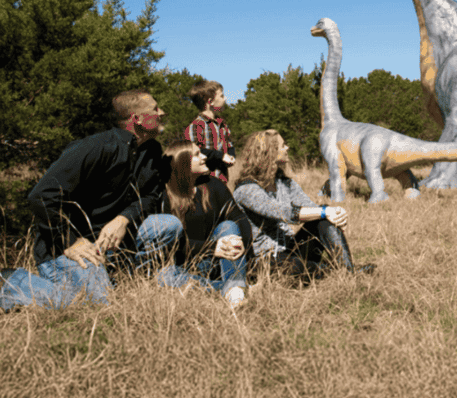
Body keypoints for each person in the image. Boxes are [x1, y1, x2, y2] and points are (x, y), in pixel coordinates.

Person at [0, 91, 181, 311]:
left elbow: (149, 196)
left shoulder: (151, 151)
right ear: (136, 118)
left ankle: (114, 278)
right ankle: (12, 284)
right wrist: (71, 240)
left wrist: (123, 219)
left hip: (109, 241)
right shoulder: (96, 146)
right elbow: (42, 196)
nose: (162, 113)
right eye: (155, 109)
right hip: (69, 247)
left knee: (169, 225)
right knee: (99, 307)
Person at [232, 130, 370, 279]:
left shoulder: (285, 183)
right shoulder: (246, 189)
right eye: (283, 145)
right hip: (265, 260)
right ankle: (332, 271)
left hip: (291, 248)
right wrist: (324, 211)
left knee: (322, 216)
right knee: (294, 265)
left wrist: (332, 214)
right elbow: (281, 212)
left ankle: (348, 271)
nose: (287, 148)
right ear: (270, 152)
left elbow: (311, 208)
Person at [156, 140, 250, 307]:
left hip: (220, 262)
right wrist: (211, 248)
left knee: (228, 226)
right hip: (186, 266)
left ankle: (235, 294)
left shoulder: (213, 185)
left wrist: (242, 241)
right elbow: (170, 244)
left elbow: (238, 217)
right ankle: (232, 289)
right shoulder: (165, 196)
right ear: (183, 162)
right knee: (164, 276)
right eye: (197, 154)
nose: (204, 157)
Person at [184, 79, 235, 185]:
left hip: (222, 180)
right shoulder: (196, 126)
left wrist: (231, 155)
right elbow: (194, 152)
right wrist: (220, 156)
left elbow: (229, 144)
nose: (225, 98)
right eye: (221, 96)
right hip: (204, 182)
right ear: (210, 101)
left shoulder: (222, 124)